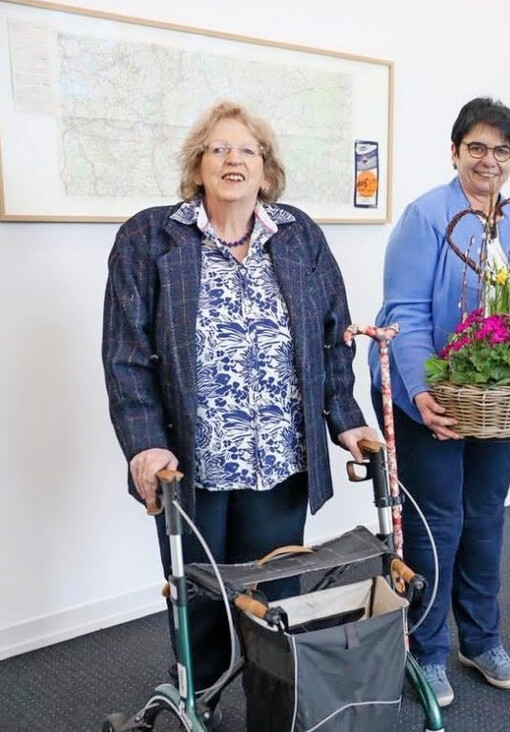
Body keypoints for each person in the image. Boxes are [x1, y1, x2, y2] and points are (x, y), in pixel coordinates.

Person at [102, 101, 378, 720]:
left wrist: (348, 420)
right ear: (197, 167)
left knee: (273, 600)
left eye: (247, 150)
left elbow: (331, 339)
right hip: (192, 464)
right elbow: (126, 358)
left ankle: (271, 711)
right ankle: (198, 704)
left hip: (279, 458)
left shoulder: (299, 233)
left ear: (266, 168)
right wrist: (144, 443)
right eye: (218, 149)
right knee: (200, 600)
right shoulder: (150, 238)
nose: (233, 160)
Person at [368, 97, 510, 708]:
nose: (488, 160)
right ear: (455, 152)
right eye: (476, 147)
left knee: (485, 515)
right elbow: (405, 315)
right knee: (437, 520)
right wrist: (422, 393)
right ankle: (427, 651)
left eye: (501, 150)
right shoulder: (426, 217)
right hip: (430, 393)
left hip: (495, 400)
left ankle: (482, 638)